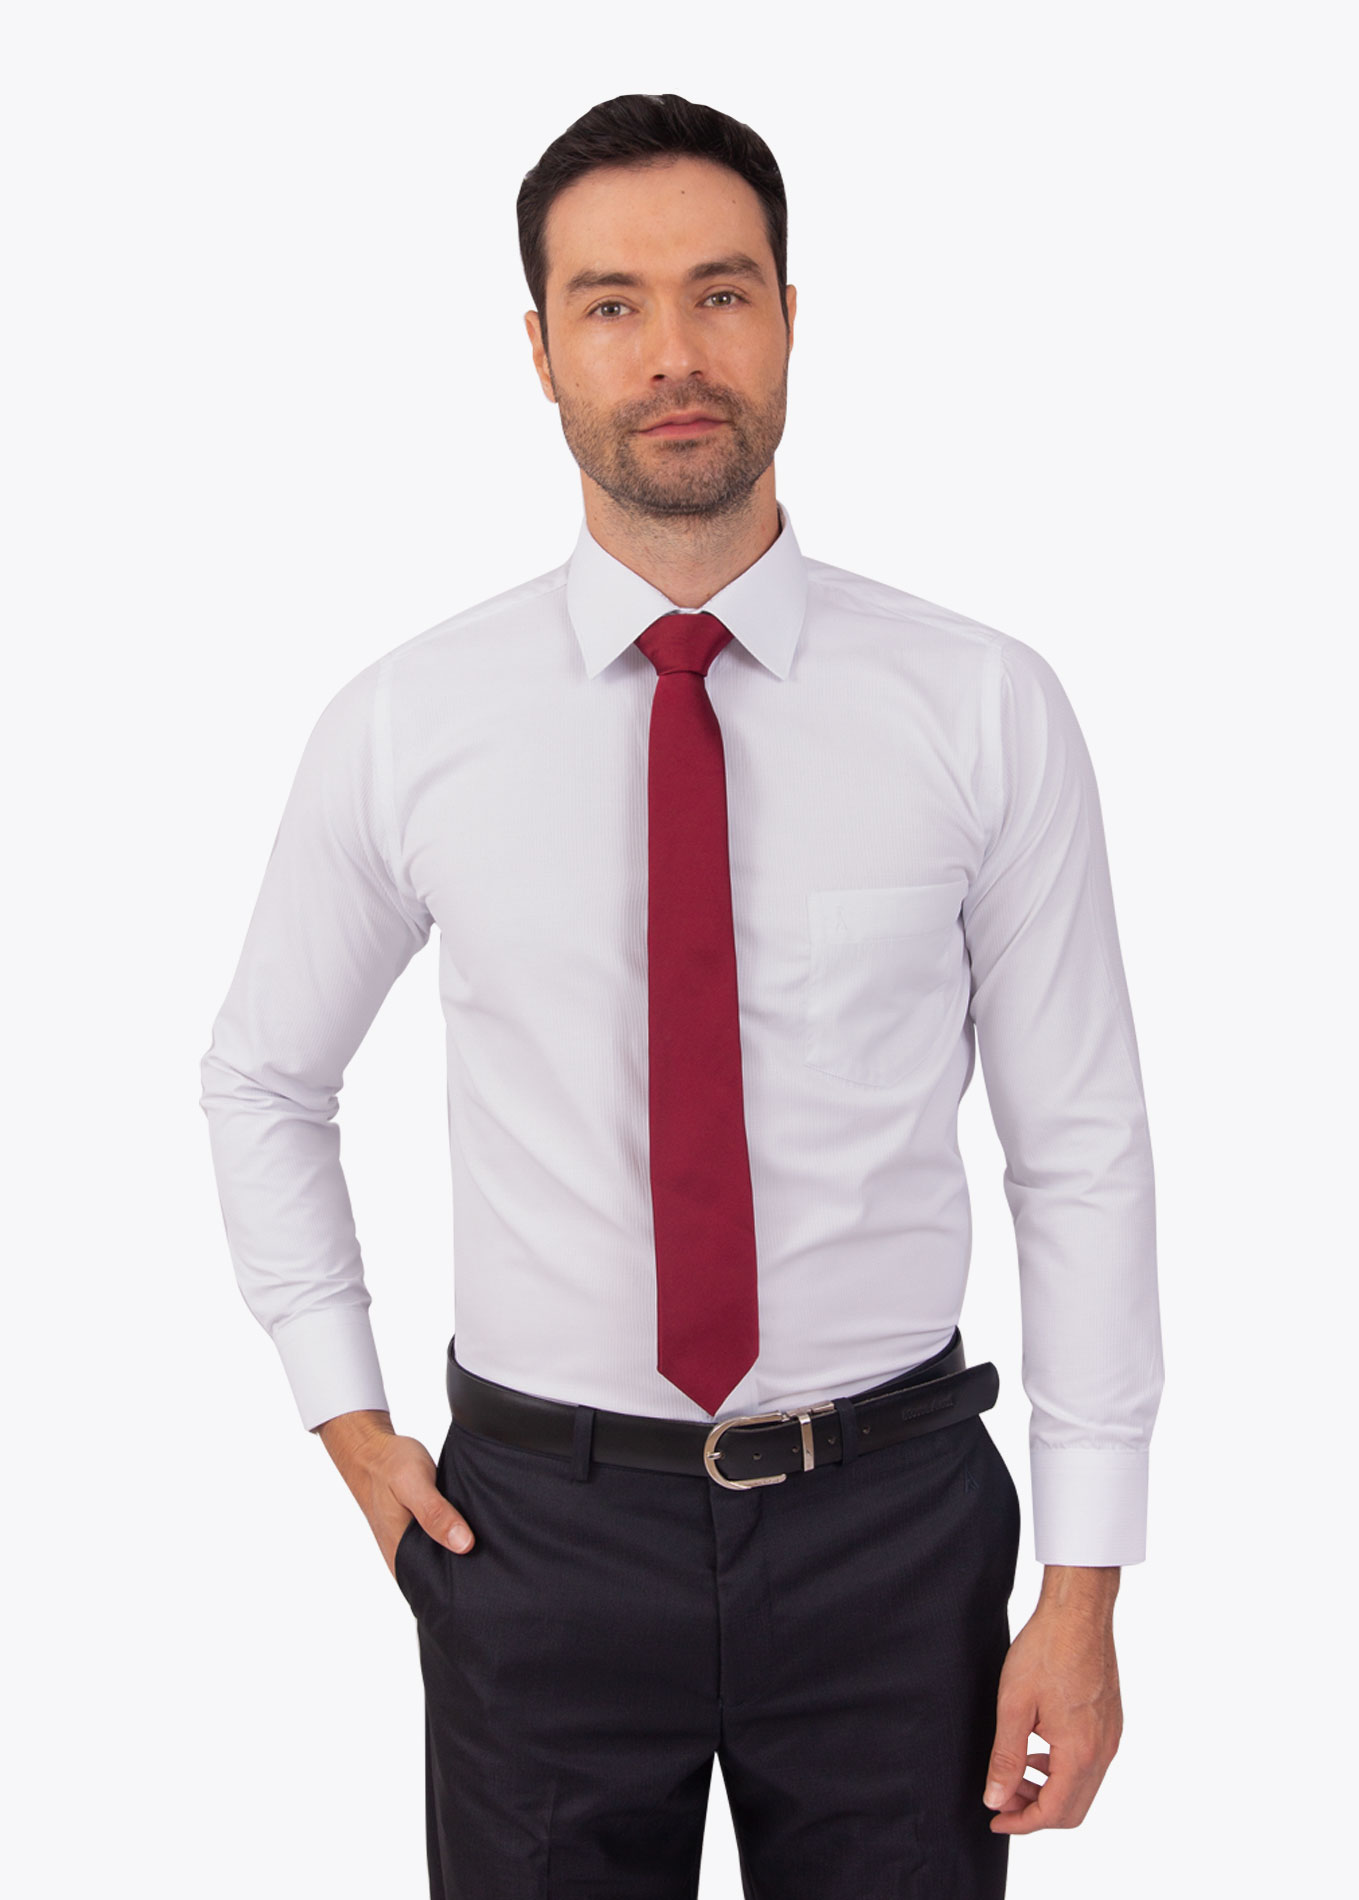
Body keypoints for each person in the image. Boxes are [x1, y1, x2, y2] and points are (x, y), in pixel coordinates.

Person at [199, 91, 1164, 1900]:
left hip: (896, 1537)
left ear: (789, 317)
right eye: (611, 305)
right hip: (535, 1538)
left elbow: (1082, 1149)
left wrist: (1087, 1578)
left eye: (720, 294)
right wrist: (348, 1422)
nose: (673, 356)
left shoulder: (981, 708)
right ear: (541, 351)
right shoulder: (409, 724)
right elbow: (262, 1077)